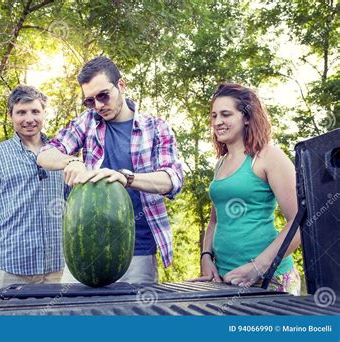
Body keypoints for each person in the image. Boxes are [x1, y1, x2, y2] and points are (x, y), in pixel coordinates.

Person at [37, 56, 183, 284]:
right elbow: (45, 154)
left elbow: (172, 180)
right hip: (84, 252)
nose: (98, 105)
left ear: (121, 86)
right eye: (90, 101)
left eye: (104, 95)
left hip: (137, 251)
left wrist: (127, 178)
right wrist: (70, 162)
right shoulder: (87, 122)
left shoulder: (156, 127)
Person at [189, 83, 301, 295]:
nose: (217, 122)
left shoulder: (268, 156)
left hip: (269, 279)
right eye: (213, 116)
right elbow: (215, 220)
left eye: (225, 114)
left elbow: (299, 222)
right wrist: (206, 256)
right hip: (225, 279)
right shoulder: (220, 164)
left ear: (247, 117)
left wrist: (258, 267)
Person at [0, 85, 65, 289]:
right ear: (10, 115)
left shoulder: (61, 154)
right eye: (21, 112)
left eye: (35, 111)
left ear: (44, 113)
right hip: (6, 269)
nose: (29, 119)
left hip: (56, 269)